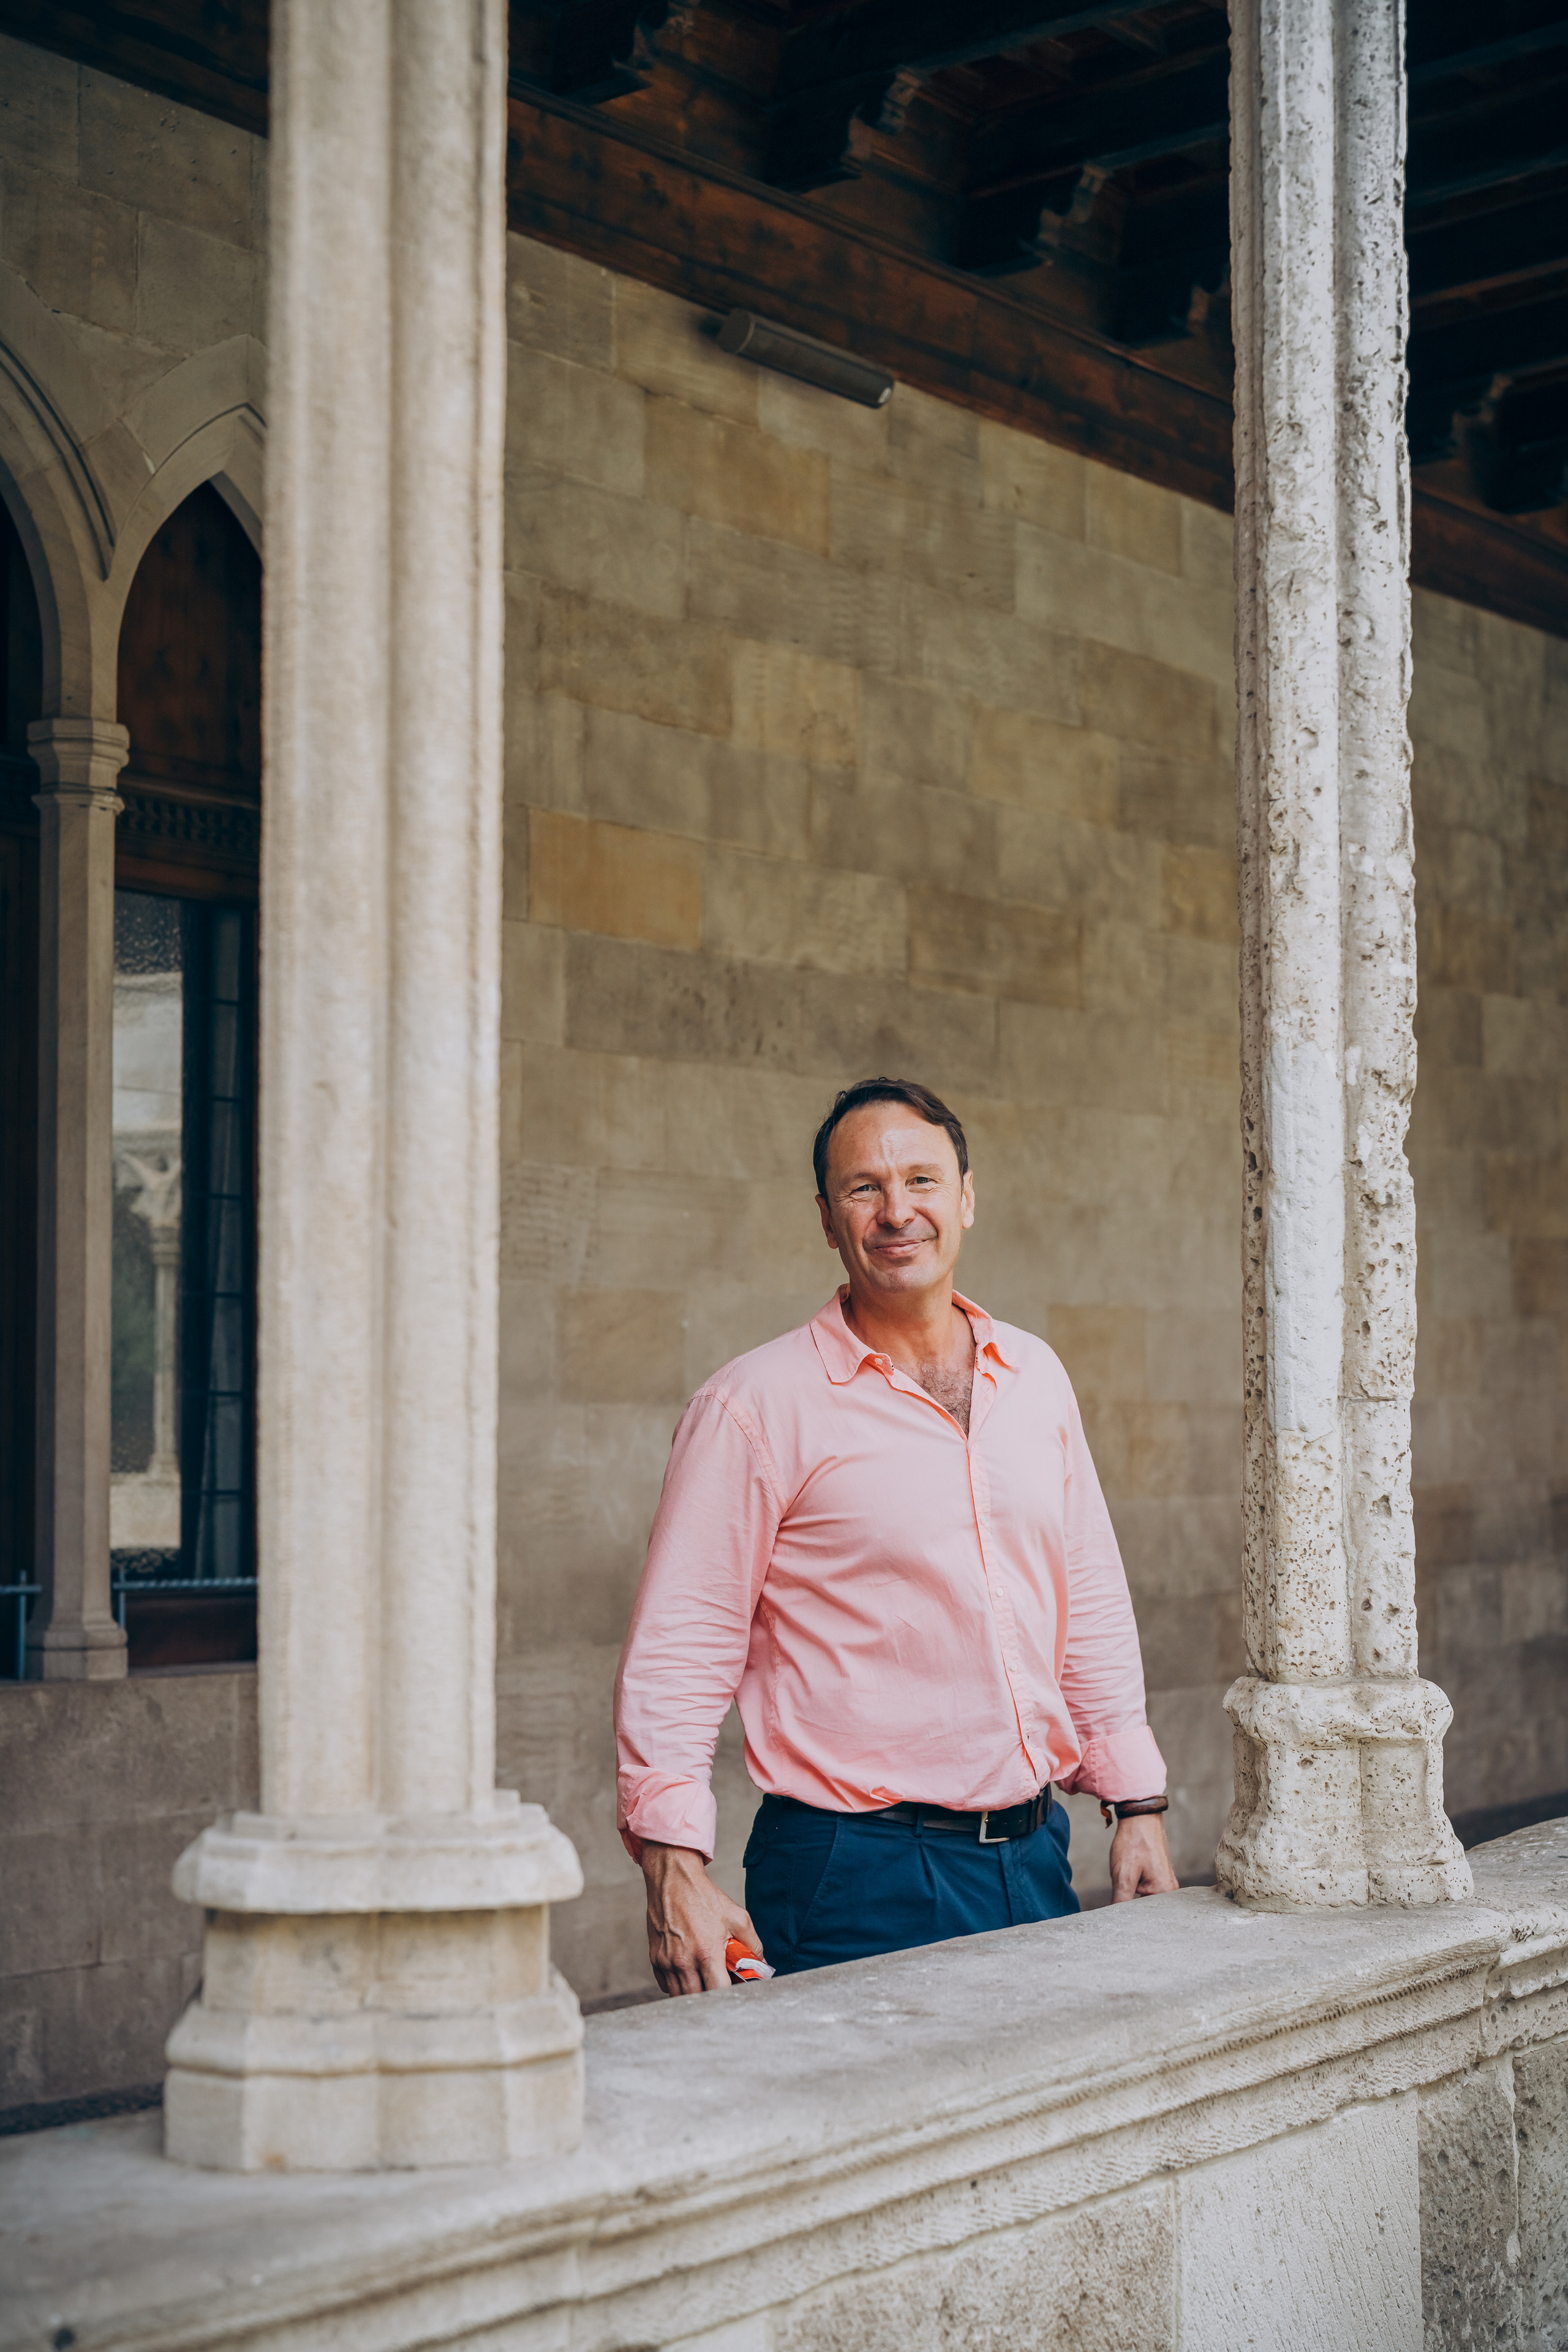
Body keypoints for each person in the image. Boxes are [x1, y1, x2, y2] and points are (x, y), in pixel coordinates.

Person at [614, 1076, 1178, 1997]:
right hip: (852, 1874)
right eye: (863, 1188)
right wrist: (672, 1865)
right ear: (828, 1220)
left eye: (920, 1180)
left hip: (1034, 1857)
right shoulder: (754, 1406)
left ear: (965, 1198)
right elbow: (682, 1645)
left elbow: (1087, 1592)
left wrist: (1138, 1803)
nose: (895, 1210)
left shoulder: (1034, 1376)